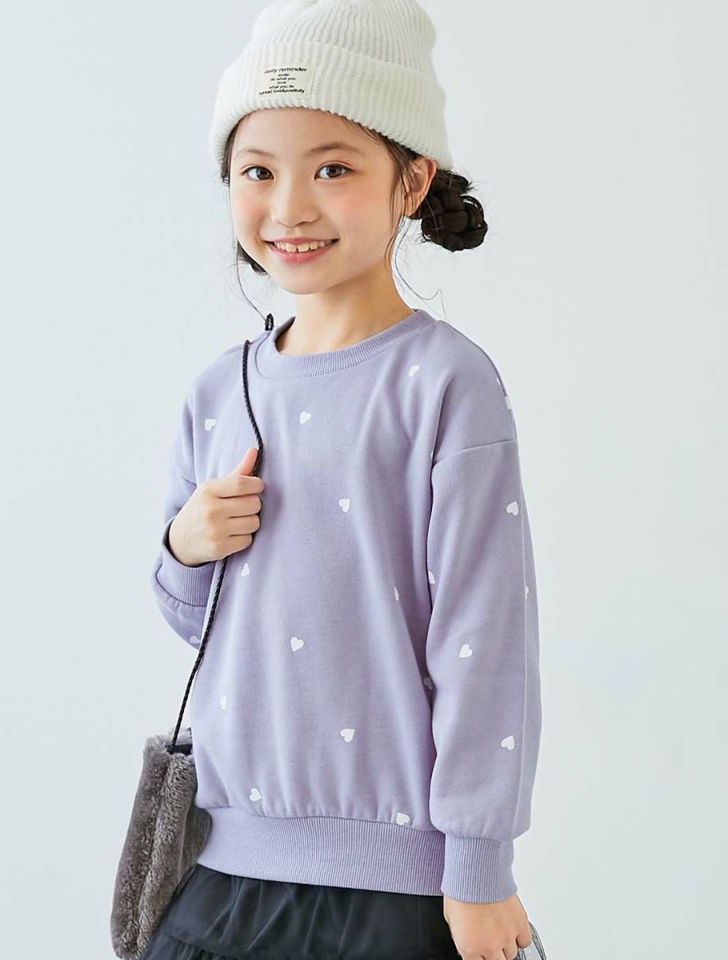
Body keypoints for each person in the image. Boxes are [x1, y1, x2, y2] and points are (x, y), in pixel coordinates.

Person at [143, 1, 544, 958]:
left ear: (413, 179)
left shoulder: (444, 384)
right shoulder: (219, 390)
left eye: (332, 168)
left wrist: (478, 869)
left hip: (393, 892)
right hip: (223, 872)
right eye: (257, 171)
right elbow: (199, 624)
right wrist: (184, 546)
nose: (289, 206)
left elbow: (485, 643)